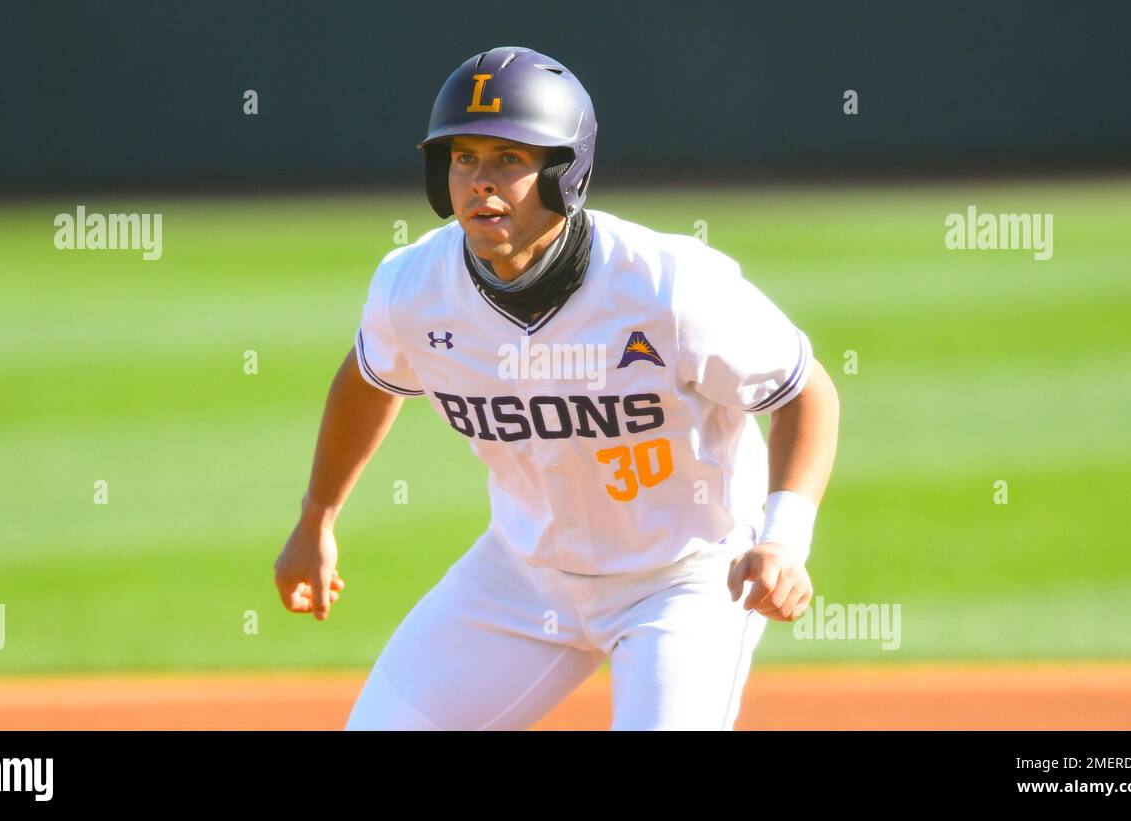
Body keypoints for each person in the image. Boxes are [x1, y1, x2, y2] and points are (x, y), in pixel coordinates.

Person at [273, 45, 840, 730]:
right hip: (522, 574)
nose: (480, 181)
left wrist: (783, 540)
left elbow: (804, 391)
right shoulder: (413, 288)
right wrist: (317, 518)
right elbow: (368, 378)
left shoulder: (668, 288)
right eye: (463, 158)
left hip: (685, 580)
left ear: (565, 174)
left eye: (508, 159)